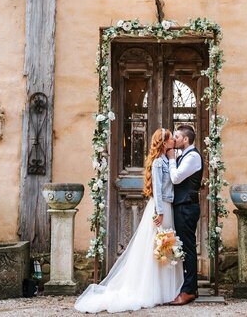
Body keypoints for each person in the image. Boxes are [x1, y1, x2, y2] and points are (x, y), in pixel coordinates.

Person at [75, 128, 183, 313]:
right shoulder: (158, 163)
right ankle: (153, 290)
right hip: (161, 207)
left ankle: (166, 289)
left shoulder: (167, 159)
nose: (174, 139)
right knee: (158, 245)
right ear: (164, 143)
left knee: (165, 245)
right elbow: (157, 189)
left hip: (168, 206)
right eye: (171, 137)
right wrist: (159, 211)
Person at [167, 124, 203, 306]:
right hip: (183, 205)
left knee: (188, 247)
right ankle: (191, 287)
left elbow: (176, 178)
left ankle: (188, 291)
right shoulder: (186, 156)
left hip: (186, 207)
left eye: (177, 137)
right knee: (185, 246)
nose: (174, 139)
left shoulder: (193, 157)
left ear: (186, 139)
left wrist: (172, 158)